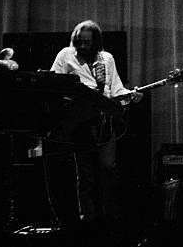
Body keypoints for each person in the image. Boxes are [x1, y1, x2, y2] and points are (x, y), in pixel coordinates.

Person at [50, 20, 142, 225]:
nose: (83, 46)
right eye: (79, 42)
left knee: (108, 169)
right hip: (79, 121)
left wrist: (131, 96)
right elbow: (54, 83)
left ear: (96, 42)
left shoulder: (106, 58)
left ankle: (110, 218)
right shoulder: (66, 55)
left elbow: (116, 89)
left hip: (104, 120)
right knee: (85, 174)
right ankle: (87, 221)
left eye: (87, 42)